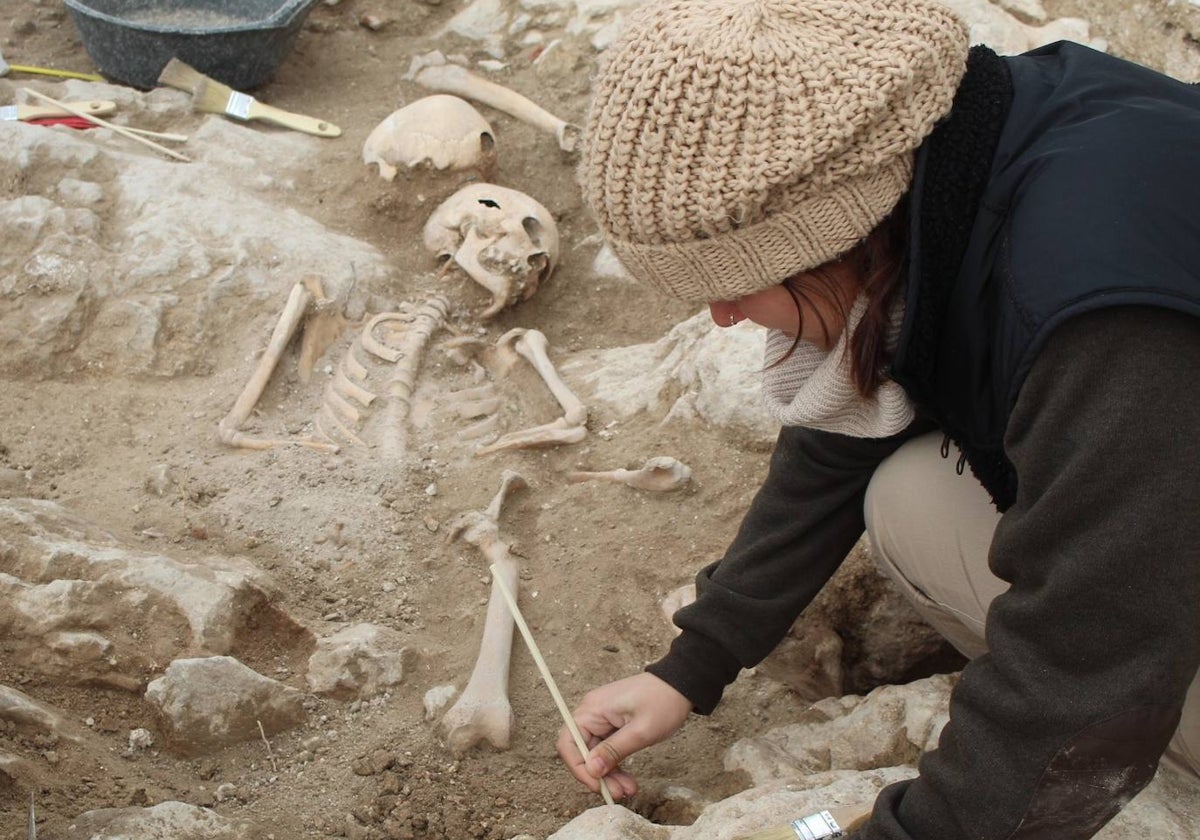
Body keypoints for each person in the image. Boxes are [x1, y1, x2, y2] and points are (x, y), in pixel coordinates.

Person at [555, 1, 1200, 838]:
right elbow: (857, 405)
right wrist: (695, 660)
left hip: (1151, 516)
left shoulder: (1104, 323)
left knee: (1052, 629)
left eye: (736, 279)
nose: (719, 315)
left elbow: (1080, 679)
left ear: (834, 231)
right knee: (908, 494)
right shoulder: (980, 144)